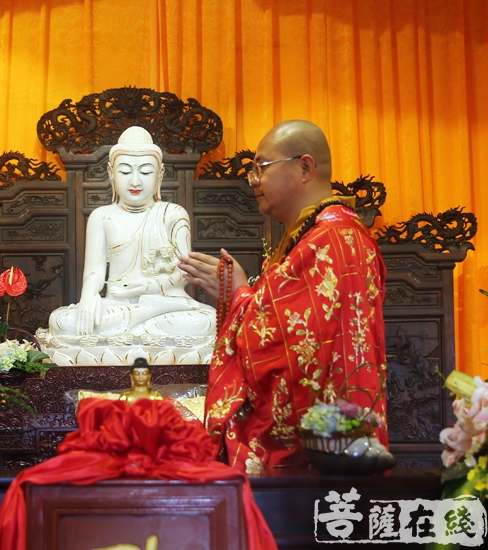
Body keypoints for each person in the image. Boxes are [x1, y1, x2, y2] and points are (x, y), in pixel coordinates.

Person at [178, 120, 388, 474]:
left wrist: (240, 294)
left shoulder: (332, 240)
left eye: (261, 167)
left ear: (305, 167)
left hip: (325, 449)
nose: (254, 181)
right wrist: (243, 293)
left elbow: (291, 345)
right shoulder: (317, 235)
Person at [37, 126, 217, 366]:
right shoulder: (101, 216)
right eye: (125, 171)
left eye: (145, 172)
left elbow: (183, 274)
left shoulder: (173, 214)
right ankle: (142, 324)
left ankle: (145, 316)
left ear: (160, 174)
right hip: (116, 306)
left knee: (205, 322)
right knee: (62, 322)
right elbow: (94, 272)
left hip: (167, 307)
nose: (135, 181)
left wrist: (148, 286)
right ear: (111, 173)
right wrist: (89, 297)